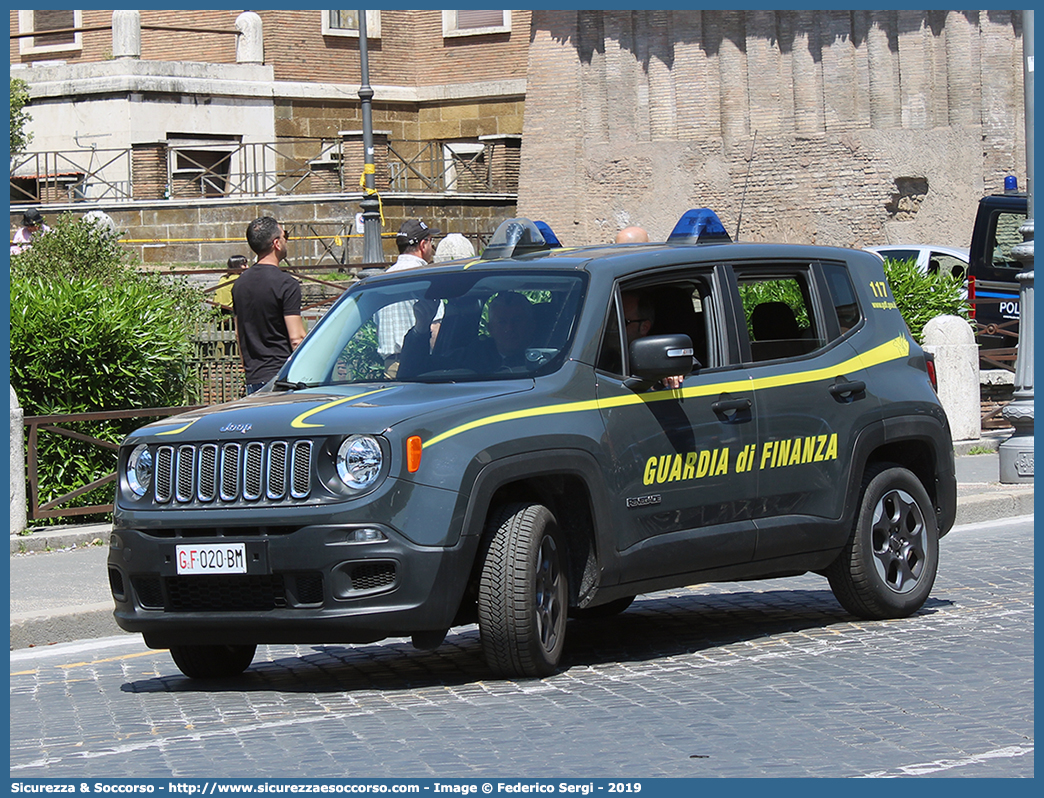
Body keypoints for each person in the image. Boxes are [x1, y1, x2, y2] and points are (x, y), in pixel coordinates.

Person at [232, 217, 306, 394]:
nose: (286, 240)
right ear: (276, 243)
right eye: (285, 235)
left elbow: (238, 334)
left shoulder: (239, 284)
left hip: (254, 377)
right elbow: (297, 339)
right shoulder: (286, 284)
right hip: (282, 379)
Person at [377, 218, 441, 376]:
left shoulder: (382, 279)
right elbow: (435, 328)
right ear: (422, 244)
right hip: (418, 364)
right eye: (430, 241)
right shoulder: (426, 278)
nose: (432, 246)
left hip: (389, 368)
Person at [622, 290, 683, 389]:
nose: (612, 327)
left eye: (622, 322)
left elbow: (681, 358)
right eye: (611, 318)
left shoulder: (658, 355)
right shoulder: (594, 350)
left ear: (644, 327)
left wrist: (671, 369)